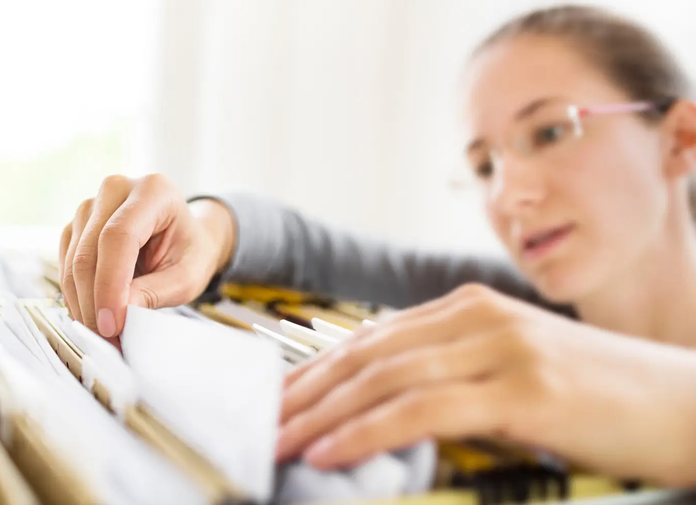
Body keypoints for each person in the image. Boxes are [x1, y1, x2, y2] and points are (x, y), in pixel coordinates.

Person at [60, 5, 696, 487]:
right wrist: (206, 230)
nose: (510, 194)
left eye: (552, 131)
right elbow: (305, 248)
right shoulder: (513, 304)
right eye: (484, 166)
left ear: (679, 139)